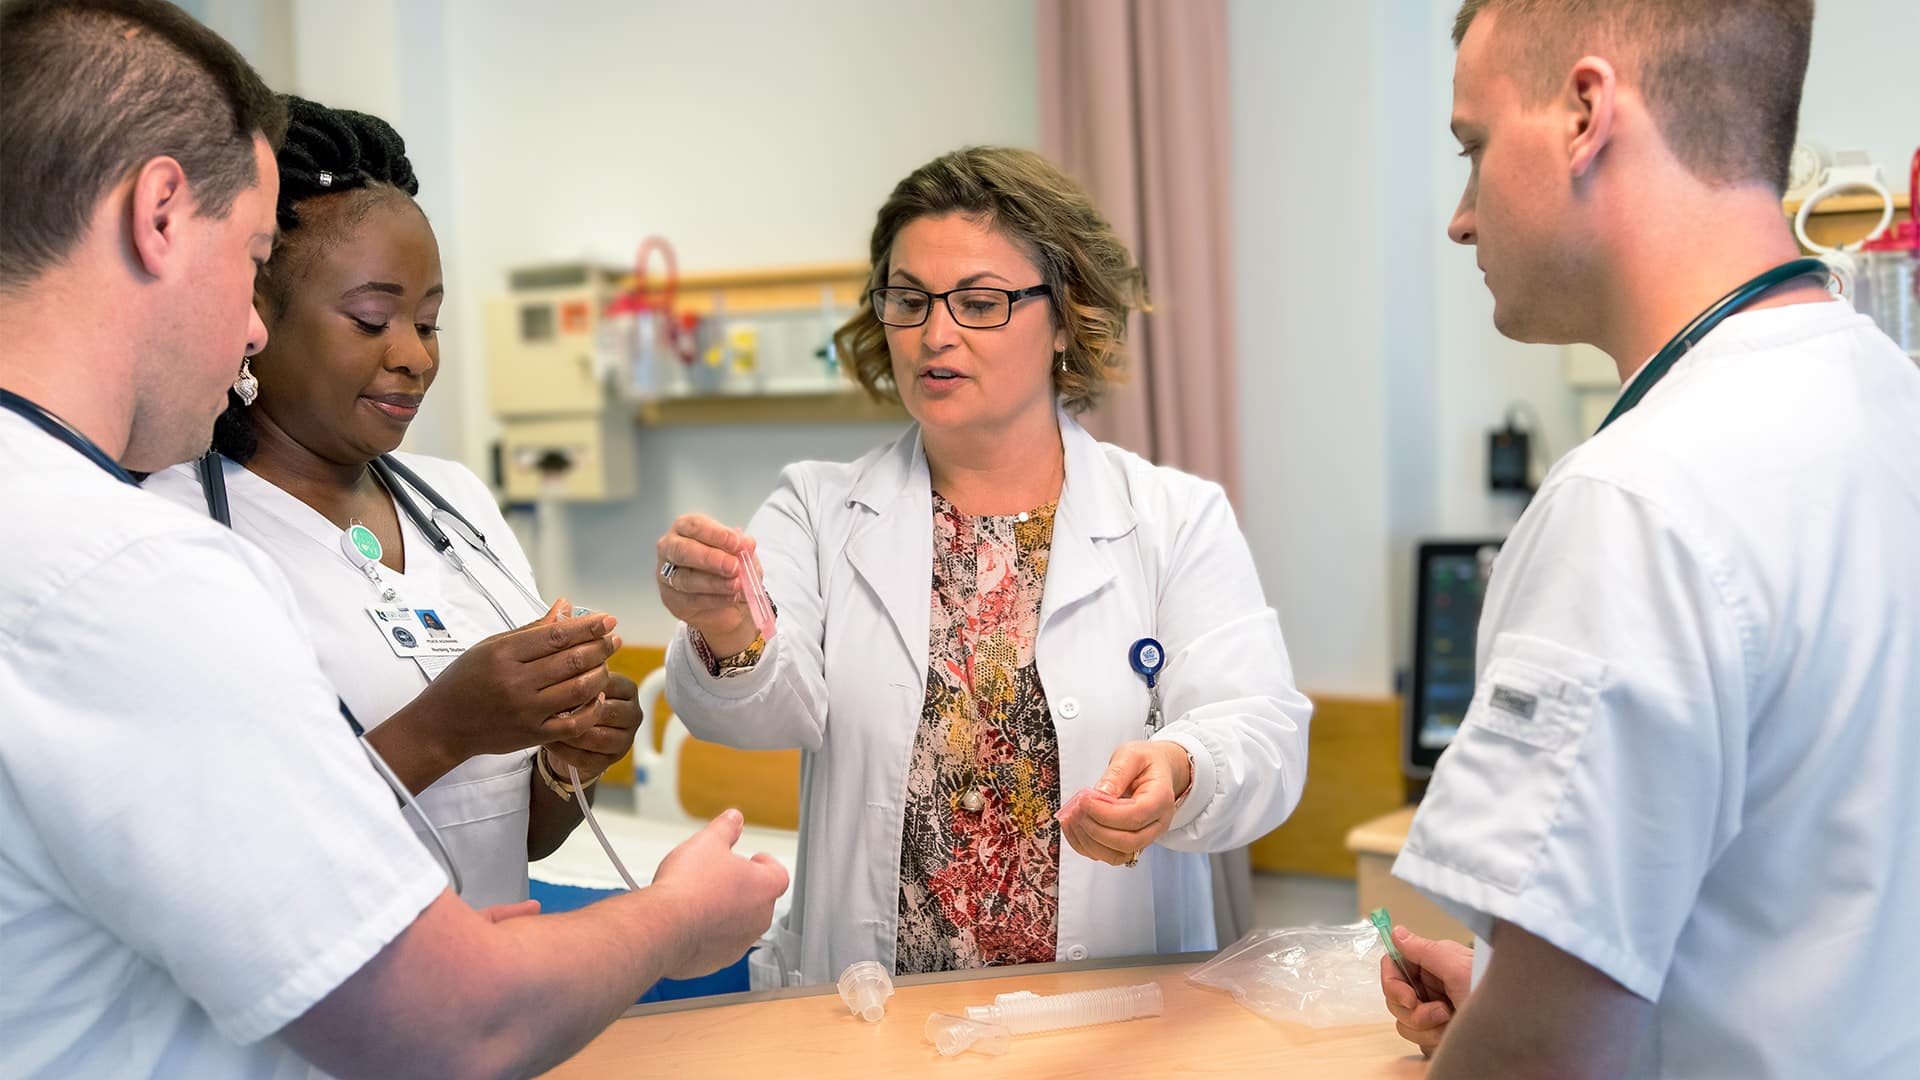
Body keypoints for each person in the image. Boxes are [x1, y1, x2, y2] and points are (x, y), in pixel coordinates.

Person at [0, 2, 784, 1076]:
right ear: (161, 214)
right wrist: (675, 920)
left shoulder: (65, 521)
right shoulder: (143, 559)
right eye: (253, 259)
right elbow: (449, 1023)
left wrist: (558, 762)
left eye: (429, 321)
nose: (250, 324)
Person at [1378, 2, 1920, 1077]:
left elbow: (1544, 1062)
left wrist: (1527, 1023)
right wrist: (1531, 999)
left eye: (1474, 147)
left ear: (1586, 114)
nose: (1462, 219)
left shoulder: (1634, 501)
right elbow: (1816, 910)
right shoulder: (1890, 403)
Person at [655, 146, 1312, 987]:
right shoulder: (817, 510)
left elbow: (1261, 734)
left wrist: (1184, 766)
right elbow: (759, 714)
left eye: (979, 302)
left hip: (1107, 1019)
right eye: (909, 300)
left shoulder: (1174, 518)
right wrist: (728, 631)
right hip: (872, 1019)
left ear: (1066, 318)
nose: (936, 335)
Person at [144, 96, 639, 908]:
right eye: (372, 319)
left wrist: (567, 761)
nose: (414, 356)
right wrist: (445, 728)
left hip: (494, 977)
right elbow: (217, 860)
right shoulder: (174, 528)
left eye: (428, 322)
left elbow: (505, 834)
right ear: (256, 316)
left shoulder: (457, 503)